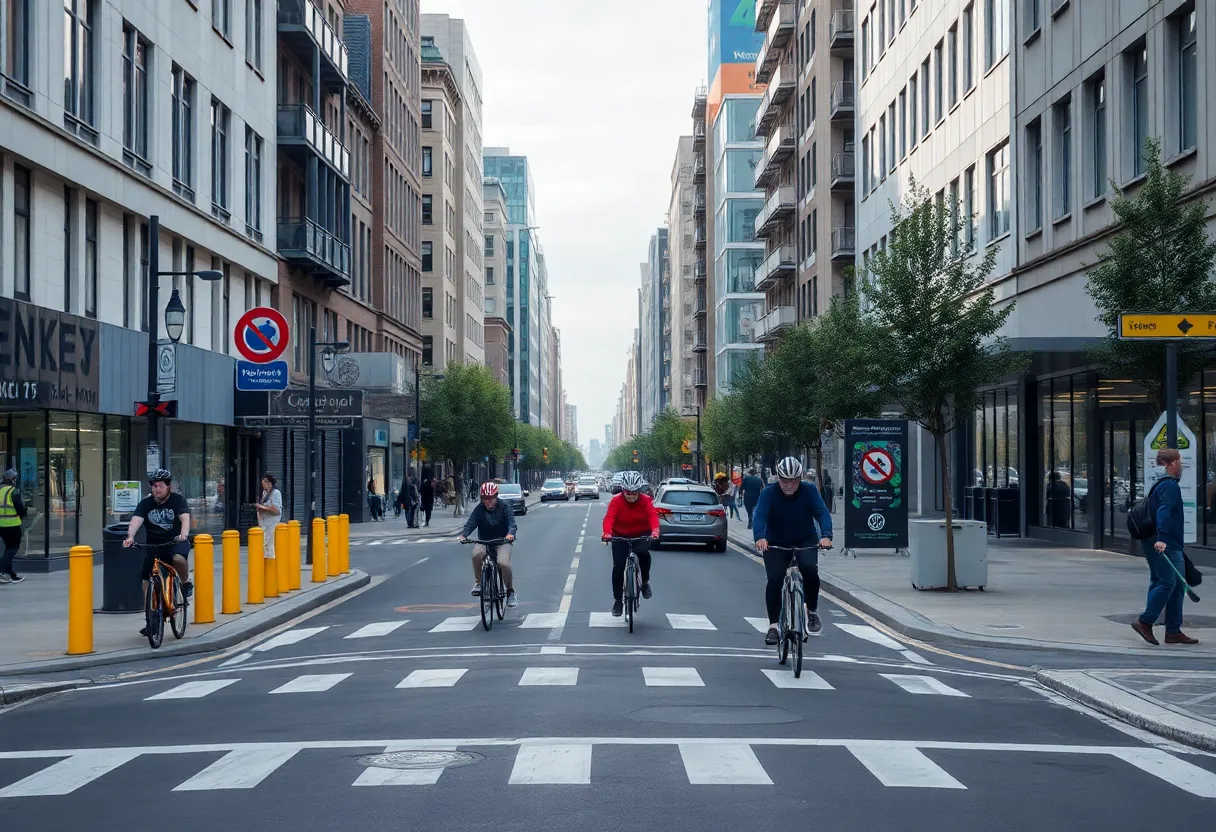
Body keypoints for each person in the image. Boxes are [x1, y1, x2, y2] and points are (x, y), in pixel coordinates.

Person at [753, 456, 833, 644]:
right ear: (778, 478)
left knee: (810, 570)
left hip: (805, 538)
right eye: (785, 480)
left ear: (800, 478)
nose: (789, 484)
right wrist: (759, 538)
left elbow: (822, 513)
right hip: (775, 542)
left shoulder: (810, 490)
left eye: (794, 480)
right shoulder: (769, 493)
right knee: (774, 579)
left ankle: (811, 611)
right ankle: (773, 626)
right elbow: (760, 515)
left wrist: (826, 536)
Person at [1132, 448, 1199, 646]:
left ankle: (1173, 631)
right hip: (1164, 544)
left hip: (1164, 542)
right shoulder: (1169, 486)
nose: (1182, 466)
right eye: (1180, 462)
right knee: (1167, 583)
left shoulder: (1160, 483)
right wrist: (1162, 538)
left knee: (1177, 585)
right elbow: (1164, 513)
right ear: (1172, 463)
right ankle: (1145, 621)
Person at [123, 469, 192, 637]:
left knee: (178, 558)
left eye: (160, 486)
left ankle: (184, 583)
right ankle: (151, 618)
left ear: (168, 487)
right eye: (154, 486)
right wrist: (130, 536)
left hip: (175, 541)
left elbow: (185, 518)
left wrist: (184, 534)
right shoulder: (147, 503)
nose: (156, 490)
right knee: (146, 580)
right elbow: (136, 520)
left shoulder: (178, 500)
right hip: (154, 545)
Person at [601, 470, 659, 617]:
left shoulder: (646, 501)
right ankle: (618, 601)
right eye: (627, 492)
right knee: (618, 567)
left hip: (641, 534)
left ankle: (645, 582)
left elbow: (653, 517)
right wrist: (607, 533)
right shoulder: (616, 501)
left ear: (639, 490)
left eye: (634, 492)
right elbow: (609, 518)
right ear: (622, 490)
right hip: (620, 536)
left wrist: (655, 532)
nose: (631, 495)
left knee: (644, 555)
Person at [458, 482, 519, 607]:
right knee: (477, 554)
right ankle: (479, 583)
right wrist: (464, 535)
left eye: (490, 498)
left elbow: (512, 523)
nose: (488, 501)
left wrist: (510, 534)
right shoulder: (479, 509)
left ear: (496, 496)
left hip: (502, 541)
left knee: (503, 563)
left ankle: (510, 592)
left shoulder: (505, 507)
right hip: (484, 541)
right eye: (485, 498)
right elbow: (471, 523)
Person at [0, 468, 28, 584]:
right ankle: (1, 571)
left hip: (1, 525)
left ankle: (10, 574)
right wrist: (25, 514)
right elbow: (20, 508)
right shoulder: (13, 491)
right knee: (13, 548)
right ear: (13, 479)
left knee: (8, 549)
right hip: (12, 524)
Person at [254, 474, 283, 559]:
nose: (263, 484)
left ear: (270, 483)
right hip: (264, 522)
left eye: (265, 482)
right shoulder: (265, 492)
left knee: (270, 544)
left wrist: (263, 507)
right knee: (264, 544)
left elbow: (277, 510)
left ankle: (271, 562)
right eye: (263, 482)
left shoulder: (276, 493)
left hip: (271, 522)